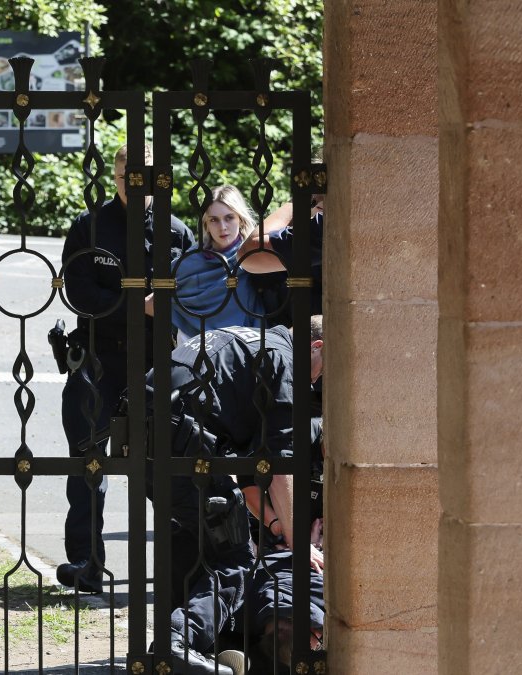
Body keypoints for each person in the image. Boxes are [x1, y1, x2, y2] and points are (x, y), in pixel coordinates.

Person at [147, 316, 327, 672]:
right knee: (236, 557)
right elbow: (278, 466)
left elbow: (250, 463)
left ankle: (185, 650)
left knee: (194, 538)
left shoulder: (253, 343)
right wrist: (299, 543)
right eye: (321, 372)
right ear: (317, 347)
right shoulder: (283, 360)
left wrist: (275, 525)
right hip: (184, 442)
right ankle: (175, 644)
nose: (316, 382)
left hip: (147, 432)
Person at [58, 144, 196, 593]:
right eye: (126, 177)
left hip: (158, 364)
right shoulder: (90, 226)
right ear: (115, 177)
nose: (134, 187)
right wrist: (139, 305)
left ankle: (178, 569)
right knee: (88, 463)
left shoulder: (177, 232)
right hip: (100, 359)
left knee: (167, 464)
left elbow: (194, 293)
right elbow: (78, 292)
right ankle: (86, 564)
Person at [166, 185, 268, 341]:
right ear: (206, 223)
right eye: (214, 220)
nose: (223, 227)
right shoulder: (188, 260)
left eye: (229, 217)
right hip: (191, 343)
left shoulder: (253, 256)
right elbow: (161, 299)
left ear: (240, 219)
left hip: (243, 344)